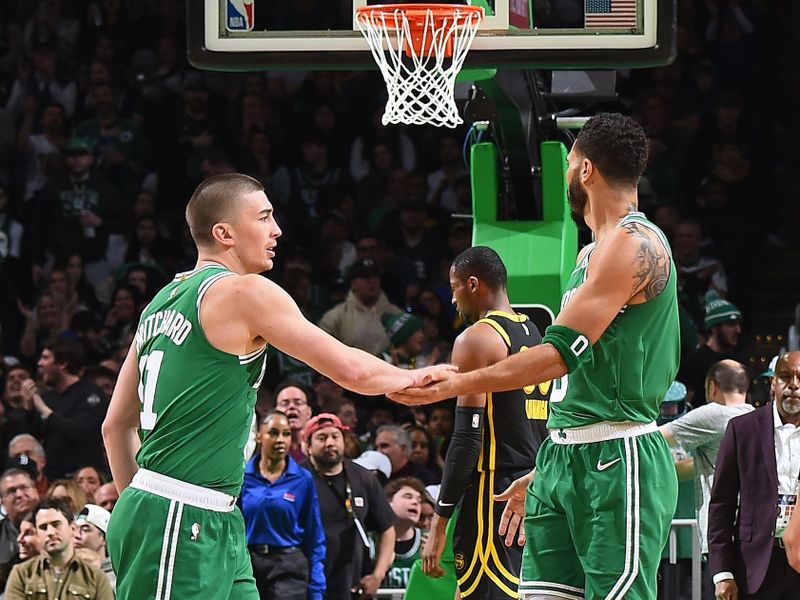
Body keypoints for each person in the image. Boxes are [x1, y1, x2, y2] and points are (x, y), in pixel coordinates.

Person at [101, 173, 451, 600]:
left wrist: (139, 508)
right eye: (264, 217)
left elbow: (115, 426)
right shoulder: (243, 291)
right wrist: (415, 376)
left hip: (210, 515)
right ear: (224, 233)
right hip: (180, 513)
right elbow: (349, 369)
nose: (277, 229)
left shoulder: (159, 302)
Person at [392, 113, 680, 600]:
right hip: (562, 456)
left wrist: (455, 383)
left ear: (585, 170)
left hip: (618, 453)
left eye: (568, 165)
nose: (567, 174)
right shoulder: (590, 255)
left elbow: (557, 358)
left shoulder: (636, 245)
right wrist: (549, 462)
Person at [422, 246, 550, 600]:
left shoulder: (477, 338)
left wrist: (439, 521)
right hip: (530, 490)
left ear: (473, 284)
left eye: (454, 287)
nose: (452, 299)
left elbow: (466, 437)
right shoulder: (535, 334)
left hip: (492, 493)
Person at [707, 351, 800, 599]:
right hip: (754, 566)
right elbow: (721, 506)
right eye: (785, 377)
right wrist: (723, 573)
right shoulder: (743, 429)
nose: (794, 385)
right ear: (773, 384)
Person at [660, 360, 753, 559]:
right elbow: (711, 465)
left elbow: (654, 439)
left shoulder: (714, 414)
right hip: (754, 530)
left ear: (712, 387)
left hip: (723, 531)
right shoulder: (757, 419)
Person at [300, 414, 397, 600]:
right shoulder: (297, 478)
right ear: (308, 446)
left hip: (351, 586)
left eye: (335, 437)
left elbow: (387, 529)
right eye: (321, 438)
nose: (330, 443)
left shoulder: (363, 478)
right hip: (305, 584)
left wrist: (378, 575)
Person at [240, 410, 325, 600]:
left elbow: (315, 536)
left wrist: (317, 587)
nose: (280, 439)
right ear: (260, 436)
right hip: (248, 565)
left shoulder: (303, 480)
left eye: (286, 434)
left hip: (288, 567)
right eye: (273, 433)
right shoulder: (242, 477)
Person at [20, 339, 109, 479]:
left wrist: (45, 411)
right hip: (53, 478)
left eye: (45, 358)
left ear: (62, 364)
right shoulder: (47, 397)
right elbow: (31, 439)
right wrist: (29, 408)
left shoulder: (90, 393)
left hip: (85, 477)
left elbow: (81, 432)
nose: (39, 363)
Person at [4, 499, 114, 600]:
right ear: (37, 534)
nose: (50, 532)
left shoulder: (96, 577)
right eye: (43, 527)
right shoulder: (22, 573)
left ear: (72, 528)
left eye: (56, 524)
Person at [678, 296, 744, 407]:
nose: (738, 330)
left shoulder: (739, 362)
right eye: (731, 324)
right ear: (714, 327)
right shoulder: (694, 361)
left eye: (738, 325)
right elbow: (685, 405)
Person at [383, 477, 427, 590]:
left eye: (419, 500)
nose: (415, 502)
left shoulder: (427, 540)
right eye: (408, 497)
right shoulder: (371, 540)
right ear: (388, 502)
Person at [0, 469, 41, 590]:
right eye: (11, 491)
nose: (19, 494)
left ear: (36, 491)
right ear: (3, 502)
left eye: (24, 488)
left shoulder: (55, 526)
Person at [73, 504, 115, 589]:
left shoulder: (117, 577)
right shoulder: (66, 573)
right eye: (74, 529)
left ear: (103, 538)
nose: (76, 535)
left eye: (85, 529)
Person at [273, 379, 314, 464]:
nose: (291, 406)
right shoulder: (267, 449)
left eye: (298, 403)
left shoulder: (319, 446)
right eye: (285, 403)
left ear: (309, 412)